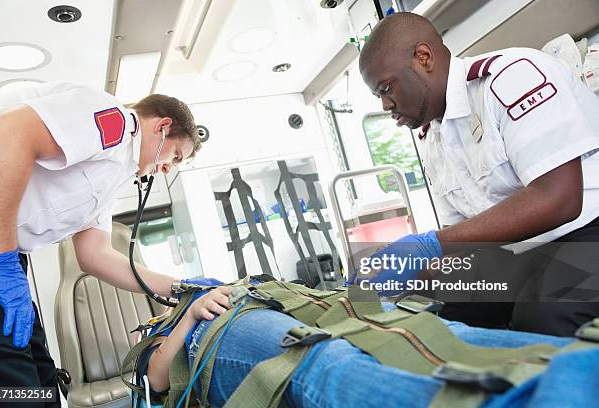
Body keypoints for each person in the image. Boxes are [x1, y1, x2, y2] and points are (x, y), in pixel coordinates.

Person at [355, 12, 599, 336]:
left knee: (542, 314)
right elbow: (468, 235)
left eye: (386, 88)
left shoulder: (510, 77)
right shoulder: (434, 139)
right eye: (378, 96)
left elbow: (559, 198)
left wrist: (428, 246)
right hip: (526, 250)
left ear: (423, 58)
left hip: (586, 230)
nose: (385, 105)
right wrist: (413, 272)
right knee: (430, 302)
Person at [0, 81, 201, 406]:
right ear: (163, 126)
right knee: (12, 388)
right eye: (176, 155)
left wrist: (182, 286)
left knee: (42, 384)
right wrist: (1, 259)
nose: (169, 167)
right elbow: (3, 135)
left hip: (4, 255)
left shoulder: (114, 178)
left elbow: (94, 254)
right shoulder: (112, 120)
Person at [137, 286, 599, 408]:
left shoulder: (190, 286)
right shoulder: (162, 328)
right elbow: (157, 379)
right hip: (220, 336)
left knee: (414, 327)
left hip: (287, 301)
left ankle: (584, 365)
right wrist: (190, 314)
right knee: (319, 357)